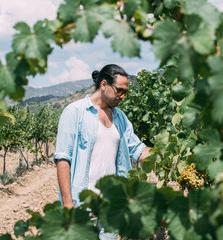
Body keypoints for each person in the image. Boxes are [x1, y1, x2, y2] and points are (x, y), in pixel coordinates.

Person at [53, 64, 151, 239]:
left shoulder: (120, 118)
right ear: (104, 85)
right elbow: (63, 159)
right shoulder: (75, 112)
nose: (123, 97)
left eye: (125, 92)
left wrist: (168, 156)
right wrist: (67, 203)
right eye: (120, 91)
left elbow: (138, 150)